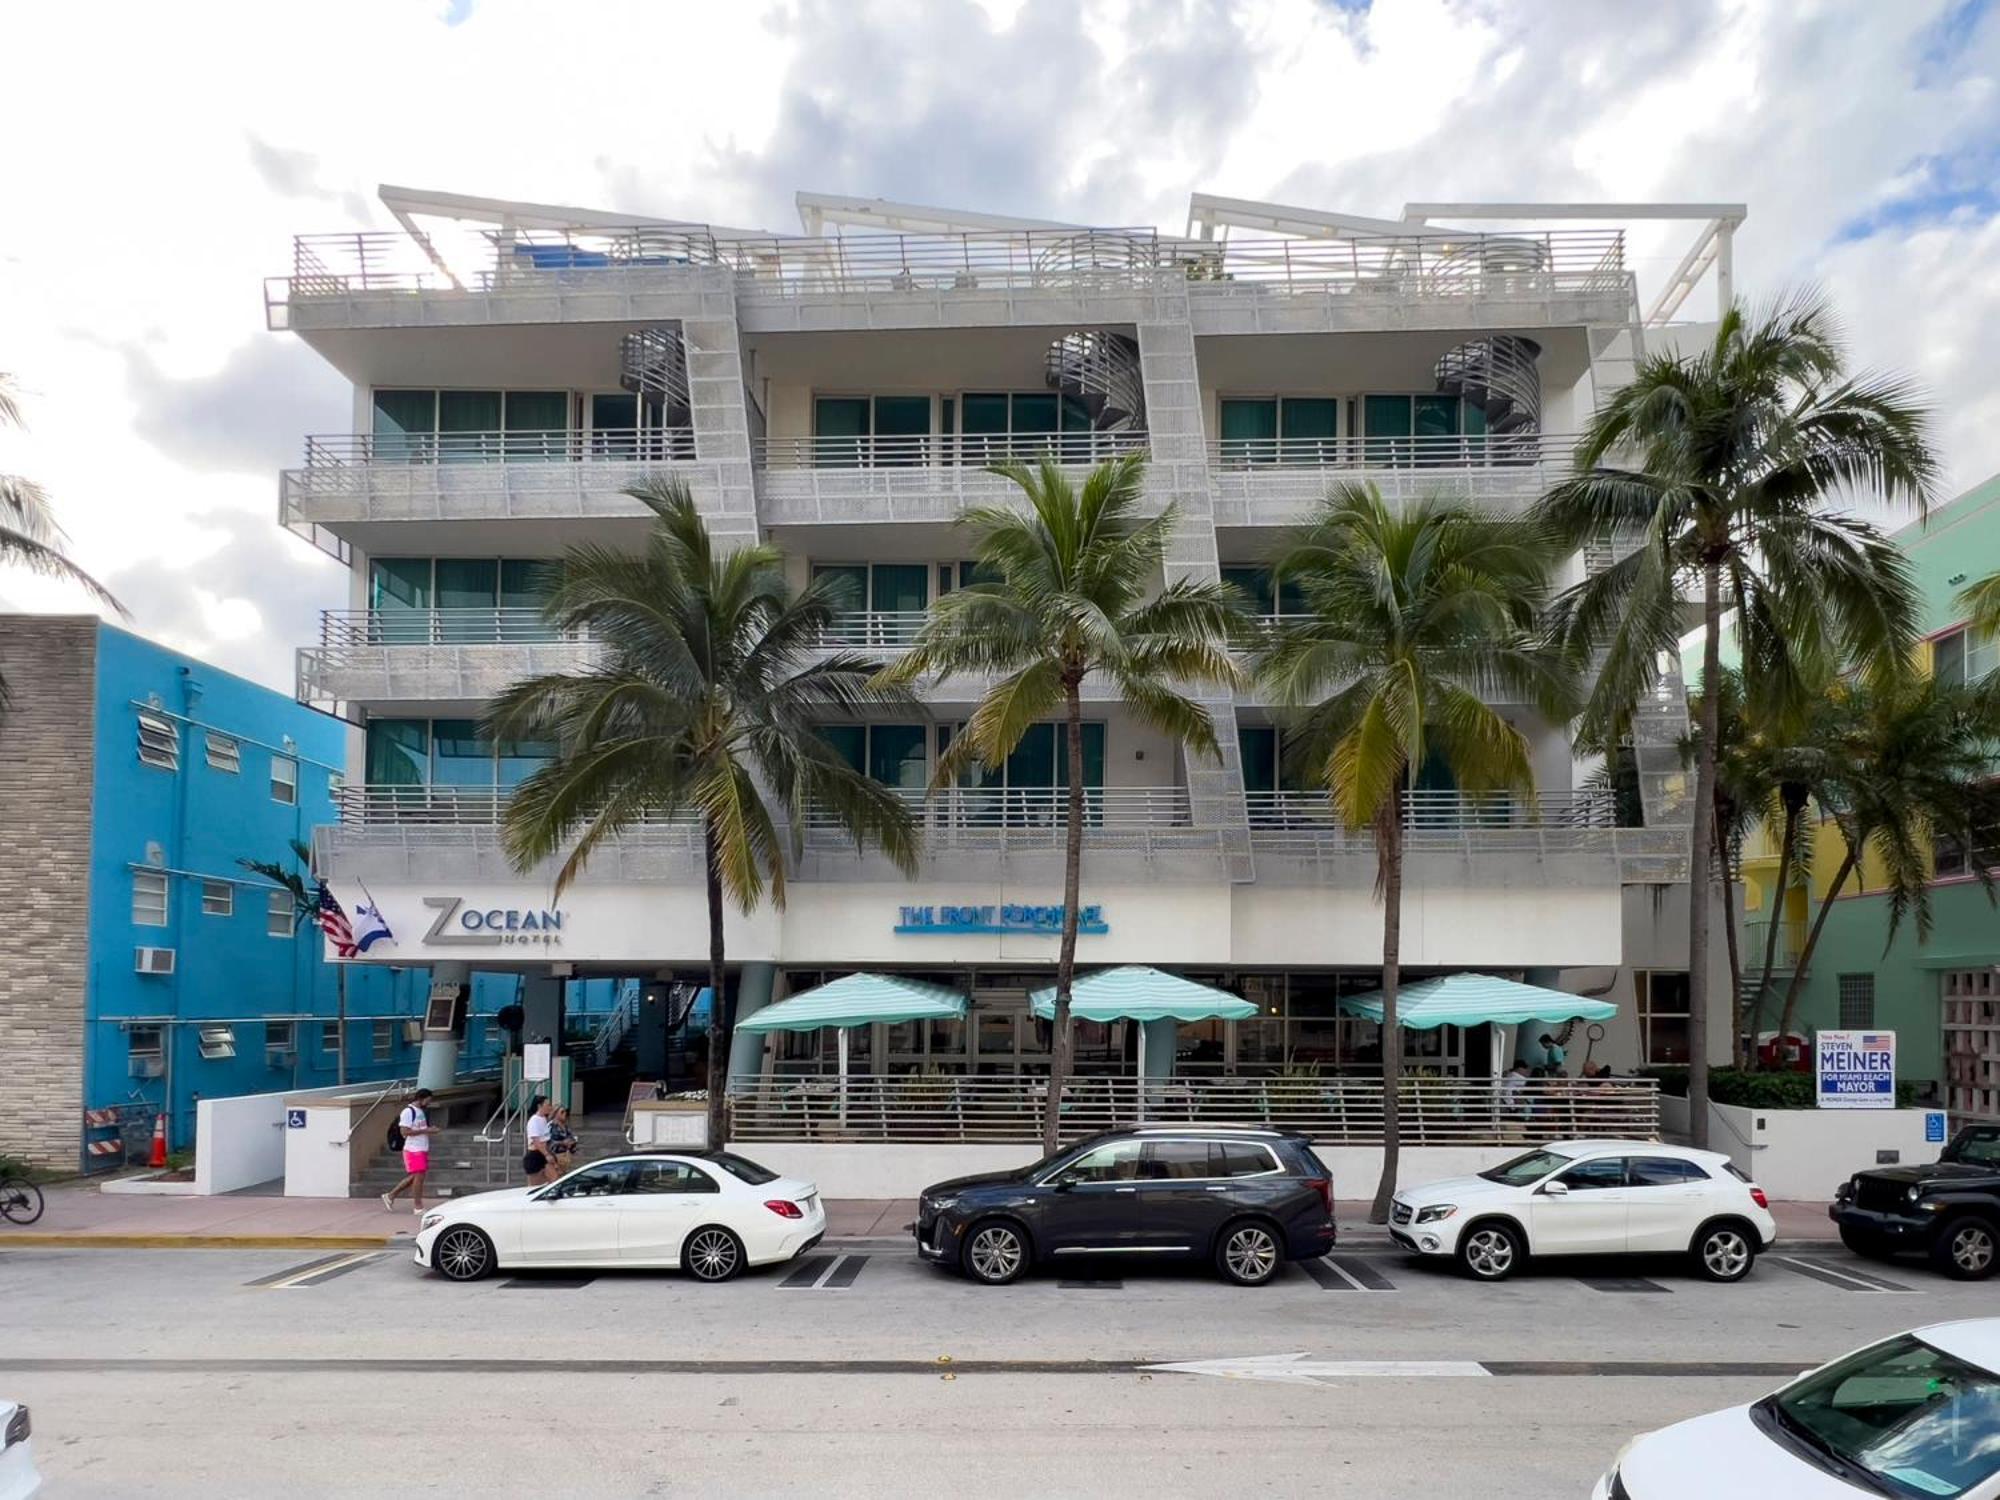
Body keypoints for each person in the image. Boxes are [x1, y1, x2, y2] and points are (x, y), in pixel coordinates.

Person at [382, 1088, 436, 1213]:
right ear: (421, 1099)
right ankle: (418, 1206)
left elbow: (419, 1128)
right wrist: (426, 1130)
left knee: (415, 1177)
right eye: (428, 1100)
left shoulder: (420, 1112)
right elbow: (405, 1132)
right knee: (418, 1178)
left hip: (421, 1147)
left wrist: (429, 1129)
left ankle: (391, 1195)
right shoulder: (408, 1112)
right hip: (413, 1149)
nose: (428, 1103)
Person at [523, 1095, 555, 1184]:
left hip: (543, 1153)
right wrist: (547, 1154)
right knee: (535, 1185)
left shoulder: (544, 1119)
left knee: (554, 1178)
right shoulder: (534, 1121)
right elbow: (536, 1141)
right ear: (539, 1106)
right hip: (535, 1155)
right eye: (547, 1105)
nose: (549, 1107)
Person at [547, 1104, 579, 1175]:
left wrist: (572, 1142)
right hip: (556, 1156)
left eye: (565, 1112)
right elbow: (548, 1143)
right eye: (562, 1112)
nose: (565, 1114)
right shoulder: (551, 1127)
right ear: (555, 1114)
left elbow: (571, 1136)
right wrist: (562, 1143)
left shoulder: (565, 1126)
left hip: (566, 1155)